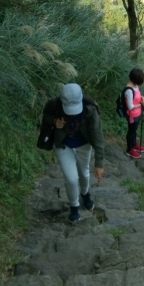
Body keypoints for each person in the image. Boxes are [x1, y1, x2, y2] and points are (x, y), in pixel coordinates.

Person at [41, 83, 104, 223]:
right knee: (71, 178)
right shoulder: (54, 103)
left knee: (84, 172)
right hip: (63, 144)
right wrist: (54, 121)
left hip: (84, 143)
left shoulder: (90, 109)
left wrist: (99, 163)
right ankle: (74, 205)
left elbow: (98, 136)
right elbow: (46, 116)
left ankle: (85, 193)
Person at [124, 68, 144, 159]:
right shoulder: (129, 90)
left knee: (134, 130)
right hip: (131, 115)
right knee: (131, 132)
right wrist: (140, 105)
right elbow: (130, 106)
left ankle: (134, 145)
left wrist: (142, 97)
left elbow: (137, 95)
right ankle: (129, 149)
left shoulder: (135, 85)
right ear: (135, 80)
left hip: (137, 114)